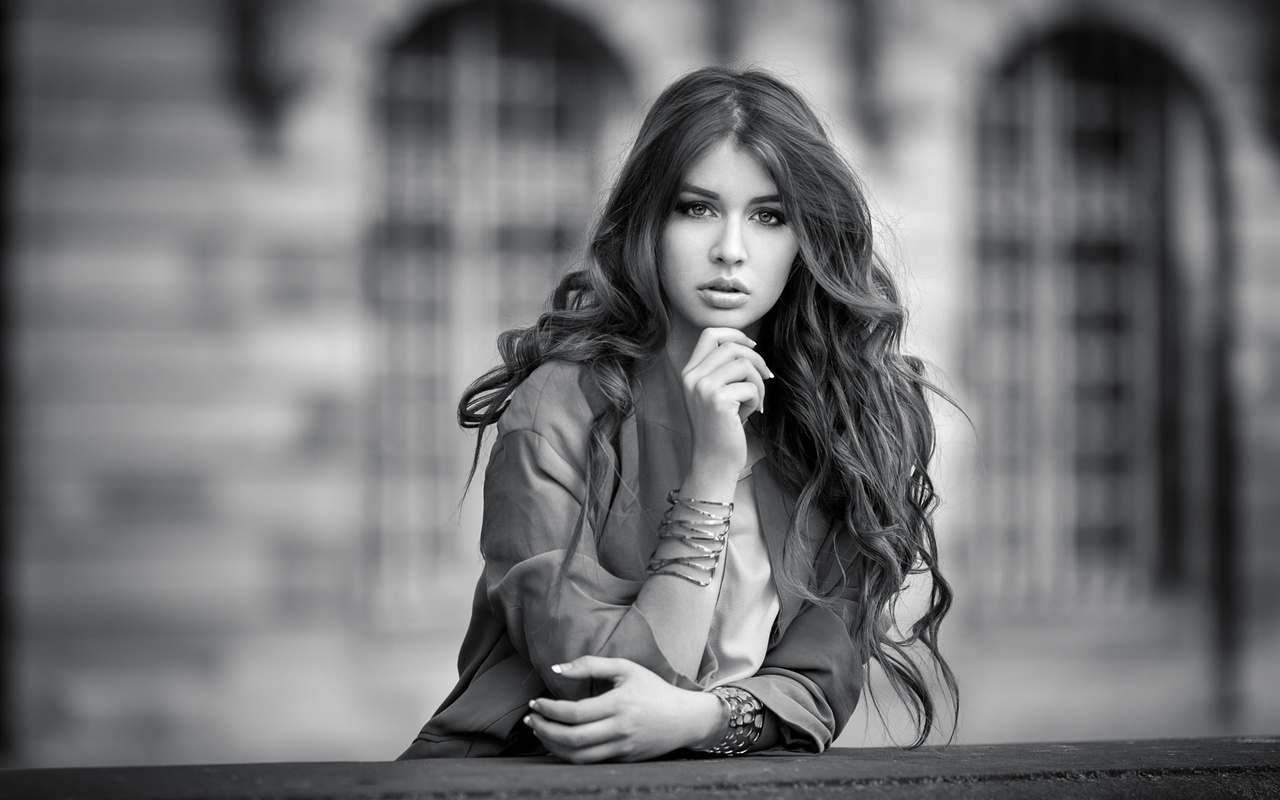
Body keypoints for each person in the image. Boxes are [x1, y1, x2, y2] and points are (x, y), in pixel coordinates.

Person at [398, 66, 957, 762]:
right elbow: (596, 688)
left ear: (807, 235)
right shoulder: (558, 404)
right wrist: (712, 471)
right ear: (649, 222)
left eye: (769, 216)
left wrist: (704, 721)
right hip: (519, 775)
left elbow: (819, 685)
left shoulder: (848, 415)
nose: (731, 248)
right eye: (696, 208)